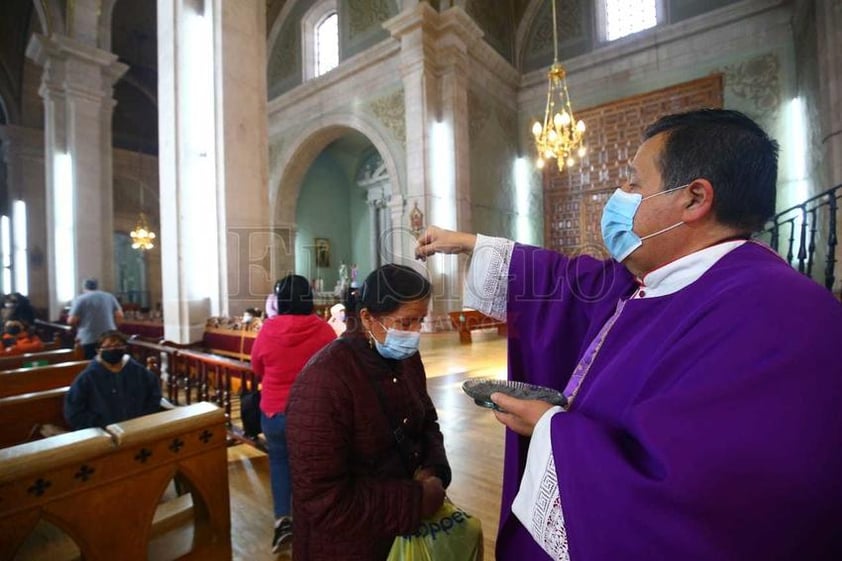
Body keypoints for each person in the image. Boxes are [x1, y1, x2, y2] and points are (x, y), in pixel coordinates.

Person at [416, 109, 842, 560]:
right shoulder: (664, 279)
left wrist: (549, 427)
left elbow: (695, 507)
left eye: (635, 183)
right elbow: (570, 283)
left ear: (695, 199)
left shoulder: (777, 318)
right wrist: (470, 244)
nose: (619, 195)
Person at [286, 264, 450, 561]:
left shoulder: (407, 361)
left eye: (420, 321)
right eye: (405, 322)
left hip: (399, 539)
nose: (415, 334)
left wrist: (433, 468)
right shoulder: (324, 381)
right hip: (345, 547)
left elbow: (427, 420)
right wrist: (416, 501)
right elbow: (323, 499)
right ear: (367, 317)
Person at [249, 274, 336, 553]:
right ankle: (316, 521)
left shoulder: (268, 329)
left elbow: (257, 368)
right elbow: (334, 369)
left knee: (279, 463)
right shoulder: (322, 330)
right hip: (313, 414)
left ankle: (284, 522)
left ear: (281, 299)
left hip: (275, 411)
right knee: (315, 467)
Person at [64, 330, 161, 429]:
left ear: (125, 348)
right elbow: (74, 411)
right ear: (98, 350)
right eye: (108, 347)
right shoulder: (87, 377)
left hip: (138, 428)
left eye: (118, 346)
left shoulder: (140, 372)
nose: (113, 349)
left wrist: (144, 419)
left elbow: (154, 397)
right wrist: (97, 426)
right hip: (103, 434)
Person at [68, 278, 124, 359]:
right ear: (97, 286)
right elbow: (120, 316)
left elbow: (71, 320)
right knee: (109, 364)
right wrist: (114, 327)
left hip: (88, 338)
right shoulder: (109, 296)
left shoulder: (80, 299)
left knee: (90, 365)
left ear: (84, 287)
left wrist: (76, 326)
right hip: (109, 338)